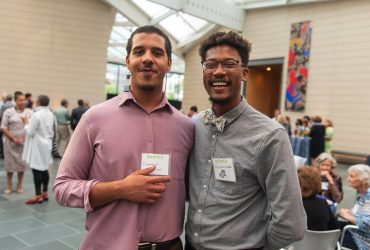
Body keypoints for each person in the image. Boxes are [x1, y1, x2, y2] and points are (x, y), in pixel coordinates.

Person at [53, 25, 194, 250]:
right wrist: (121, 188)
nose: (148, 58)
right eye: (139, 52)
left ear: (169, 63)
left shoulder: (186, 127)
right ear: (127, 60)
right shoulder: (95, 118)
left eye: (157, 53)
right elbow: (62, 188)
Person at [185, 31, 306, 250]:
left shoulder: (270, 136)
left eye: (229, 64)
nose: (219, 71)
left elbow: (292, 223)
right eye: (211, 64)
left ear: (244, 73)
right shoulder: (194, 126)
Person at [22, 95, 55, 204]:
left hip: (38, 145)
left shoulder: (36, 115)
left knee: (37, 170)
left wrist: (25, 122)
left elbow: (30, 132)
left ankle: (38, 195)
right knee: (45, 169)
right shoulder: (51, 114)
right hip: (48, 143)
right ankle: (45, 193)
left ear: (39, 102)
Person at [0, 91, 32, 194]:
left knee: (21, 165)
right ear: (15, 101)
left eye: (24, 100)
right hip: (10, 142)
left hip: (24, 142)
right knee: (10, 165)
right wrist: (13, 138)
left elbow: (32, 127)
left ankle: (19, 185)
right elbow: (3, 127)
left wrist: (26, 123)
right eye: (20, 100)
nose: (23, 102)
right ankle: (9, 185)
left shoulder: (29, 112)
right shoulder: (8, 112)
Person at [338, 164, 370, 250]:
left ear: (364, 179)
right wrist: (349, 211)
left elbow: (367, 224)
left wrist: (346, 215)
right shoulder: (362, 193)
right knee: (331, 226)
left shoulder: (368, 196)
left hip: (361, 240)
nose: (348, 179)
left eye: (352, 176)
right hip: (354, 231)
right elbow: (362, 212)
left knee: (331, 238)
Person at [298, 166, 338, 231]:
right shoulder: (323, 203)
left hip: (293, 240)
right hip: (318, 240)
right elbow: (334, 229)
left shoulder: (289, 203)